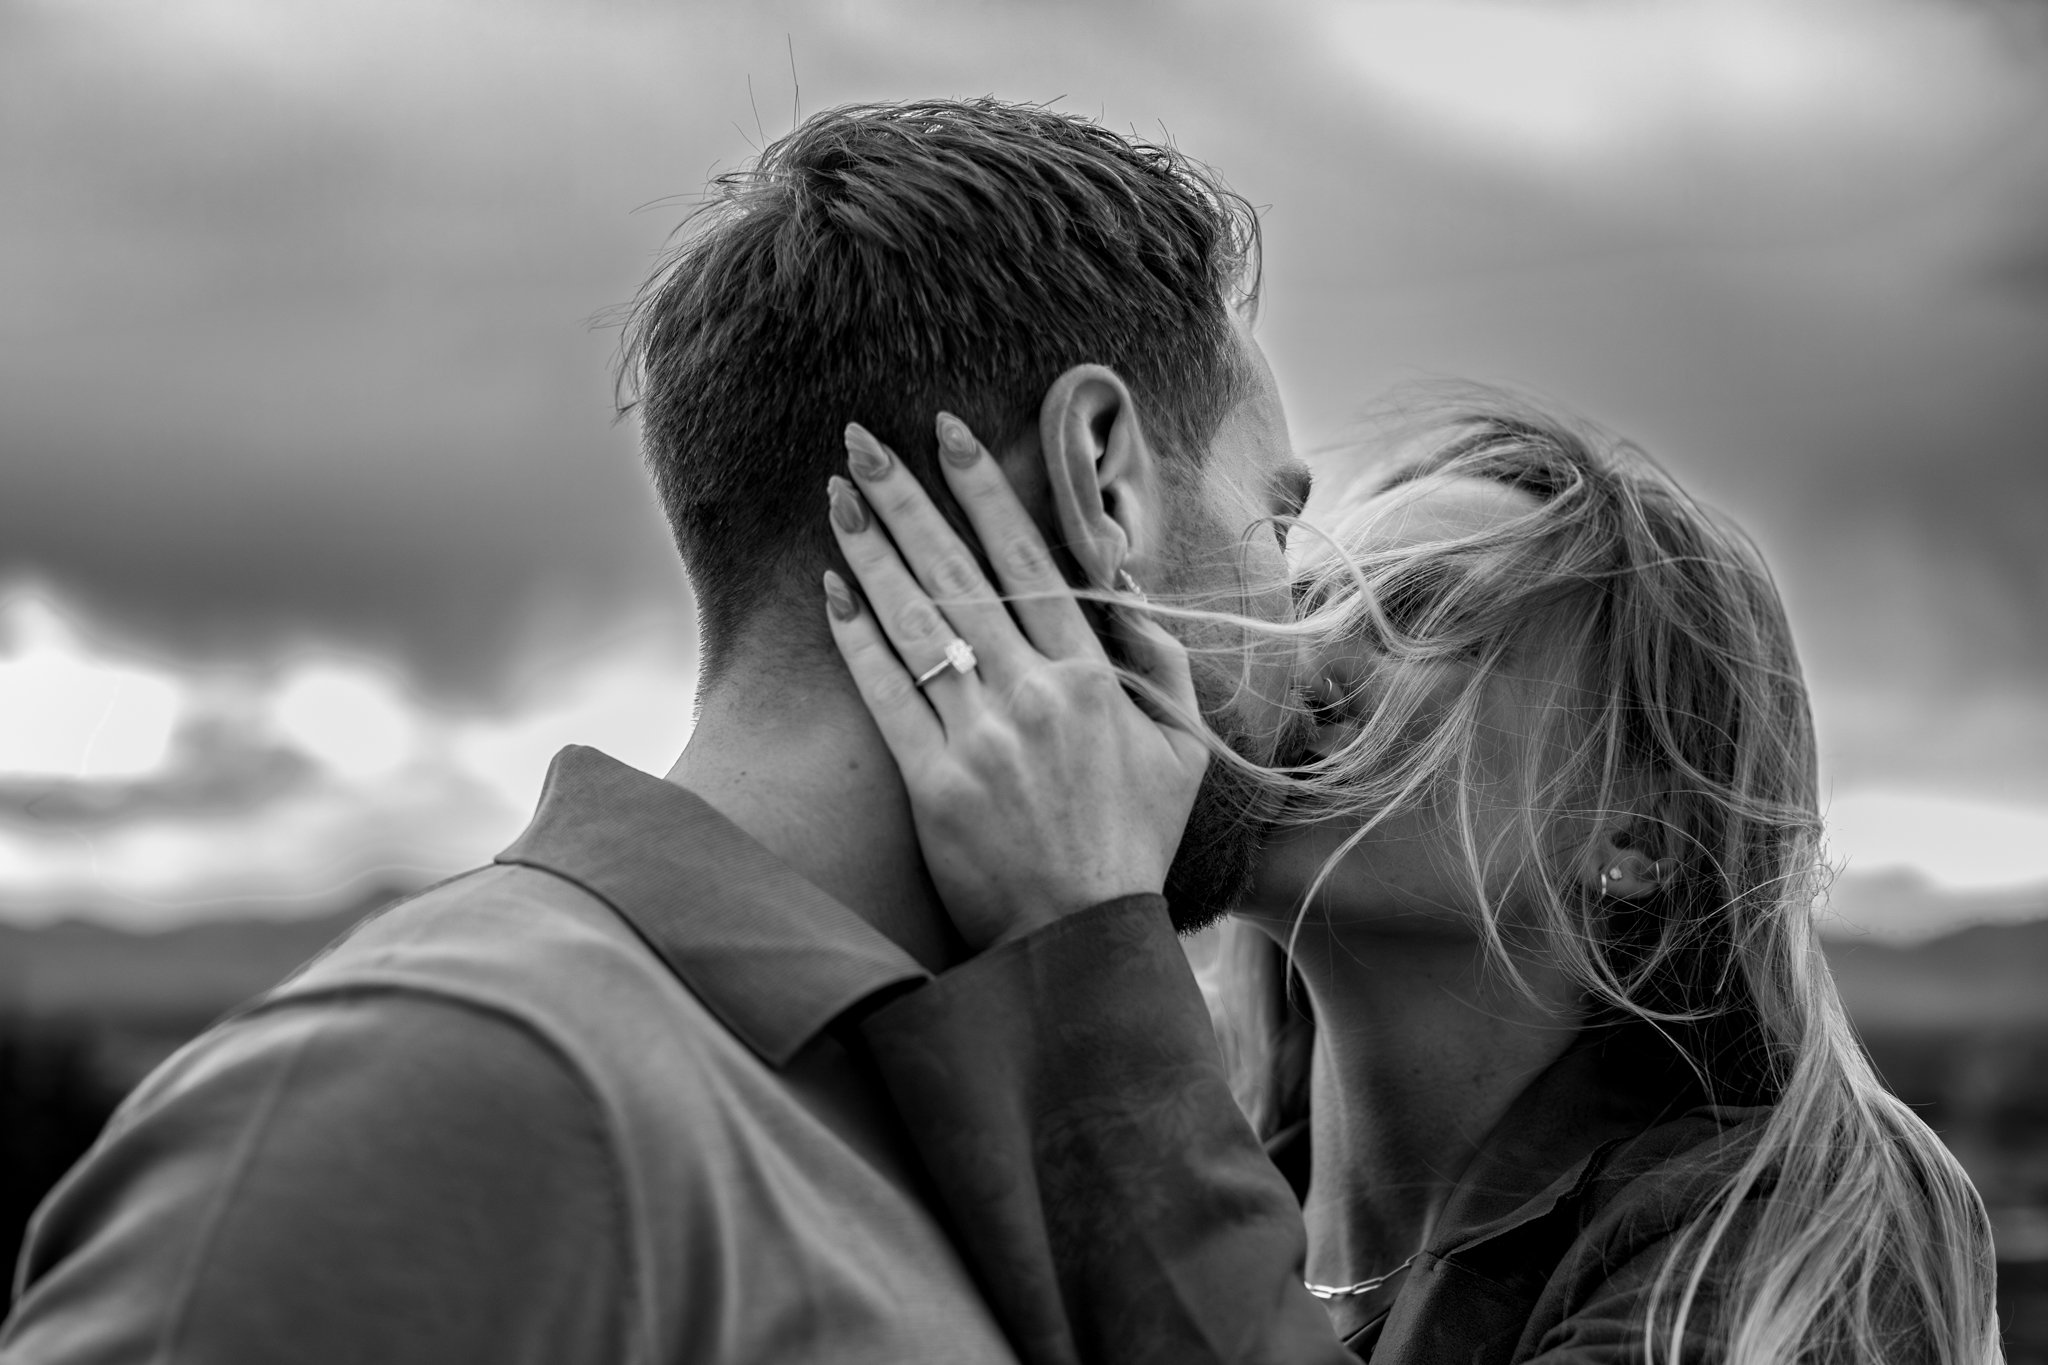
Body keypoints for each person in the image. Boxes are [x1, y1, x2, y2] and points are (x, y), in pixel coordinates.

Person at [0, 99, 1322, 1364]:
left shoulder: (988, 1134)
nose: (1307, 620)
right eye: (1277, 520)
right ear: (1104, 479)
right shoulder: (460, 1081)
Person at [822, 391, 2004, 1363]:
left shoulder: (1795, 1234)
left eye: (1423, 618)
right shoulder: (1189, 1179)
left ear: (1633, 840)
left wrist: (1084, 952)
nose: (1301, 657)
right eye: (1311, 600)